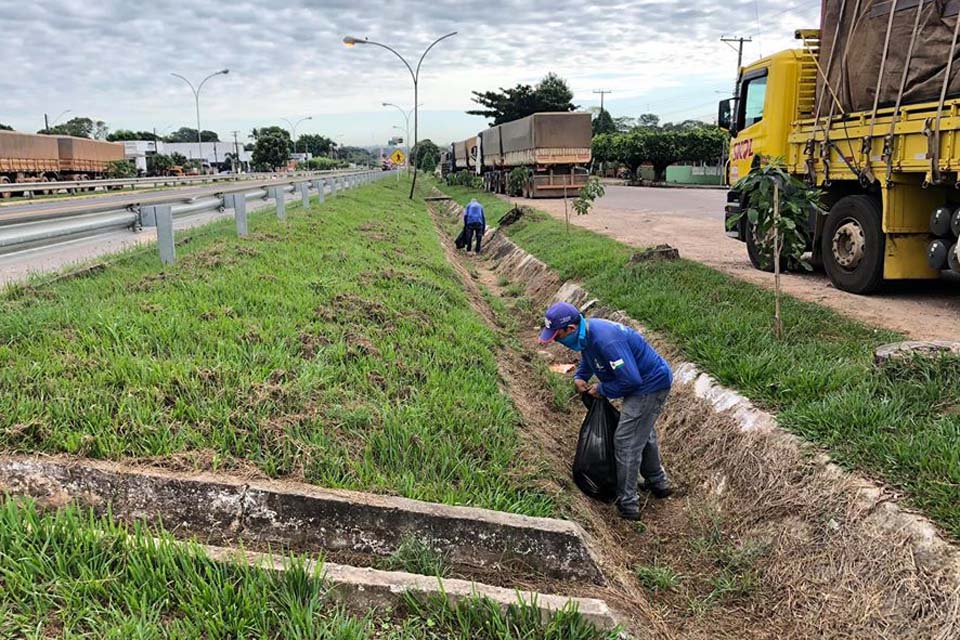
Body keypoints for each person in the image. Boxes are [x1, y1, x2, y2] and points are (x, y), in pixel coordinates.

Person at [539, 301, 673, 521]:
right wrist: (580, 376)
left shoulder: (606, 339)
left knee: (626, 440)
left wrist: (602, 388)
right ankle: (658, 482)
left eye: (558, 337)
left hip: (650, 386)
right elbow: (591, 358)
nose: (558, 342)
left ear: (570, 329)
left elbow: (630, 379)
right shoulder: (587, 334)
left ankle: (628, 503)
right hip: (639, 383)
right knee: (642, 431)